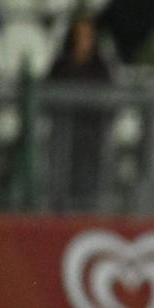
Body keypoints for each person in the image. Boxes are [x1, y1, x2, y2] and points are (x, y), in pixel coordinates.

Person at [46, 13, 112, 206]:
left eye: (88, 35)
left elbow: (110, 100)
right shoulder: (61, 66)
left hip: (92, 140)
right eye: (80, 35)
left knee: (89, 188)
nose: (84, 41)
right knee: (59, 187)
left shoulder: (100, 67)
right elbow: (48, 95)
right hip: (63, 138)